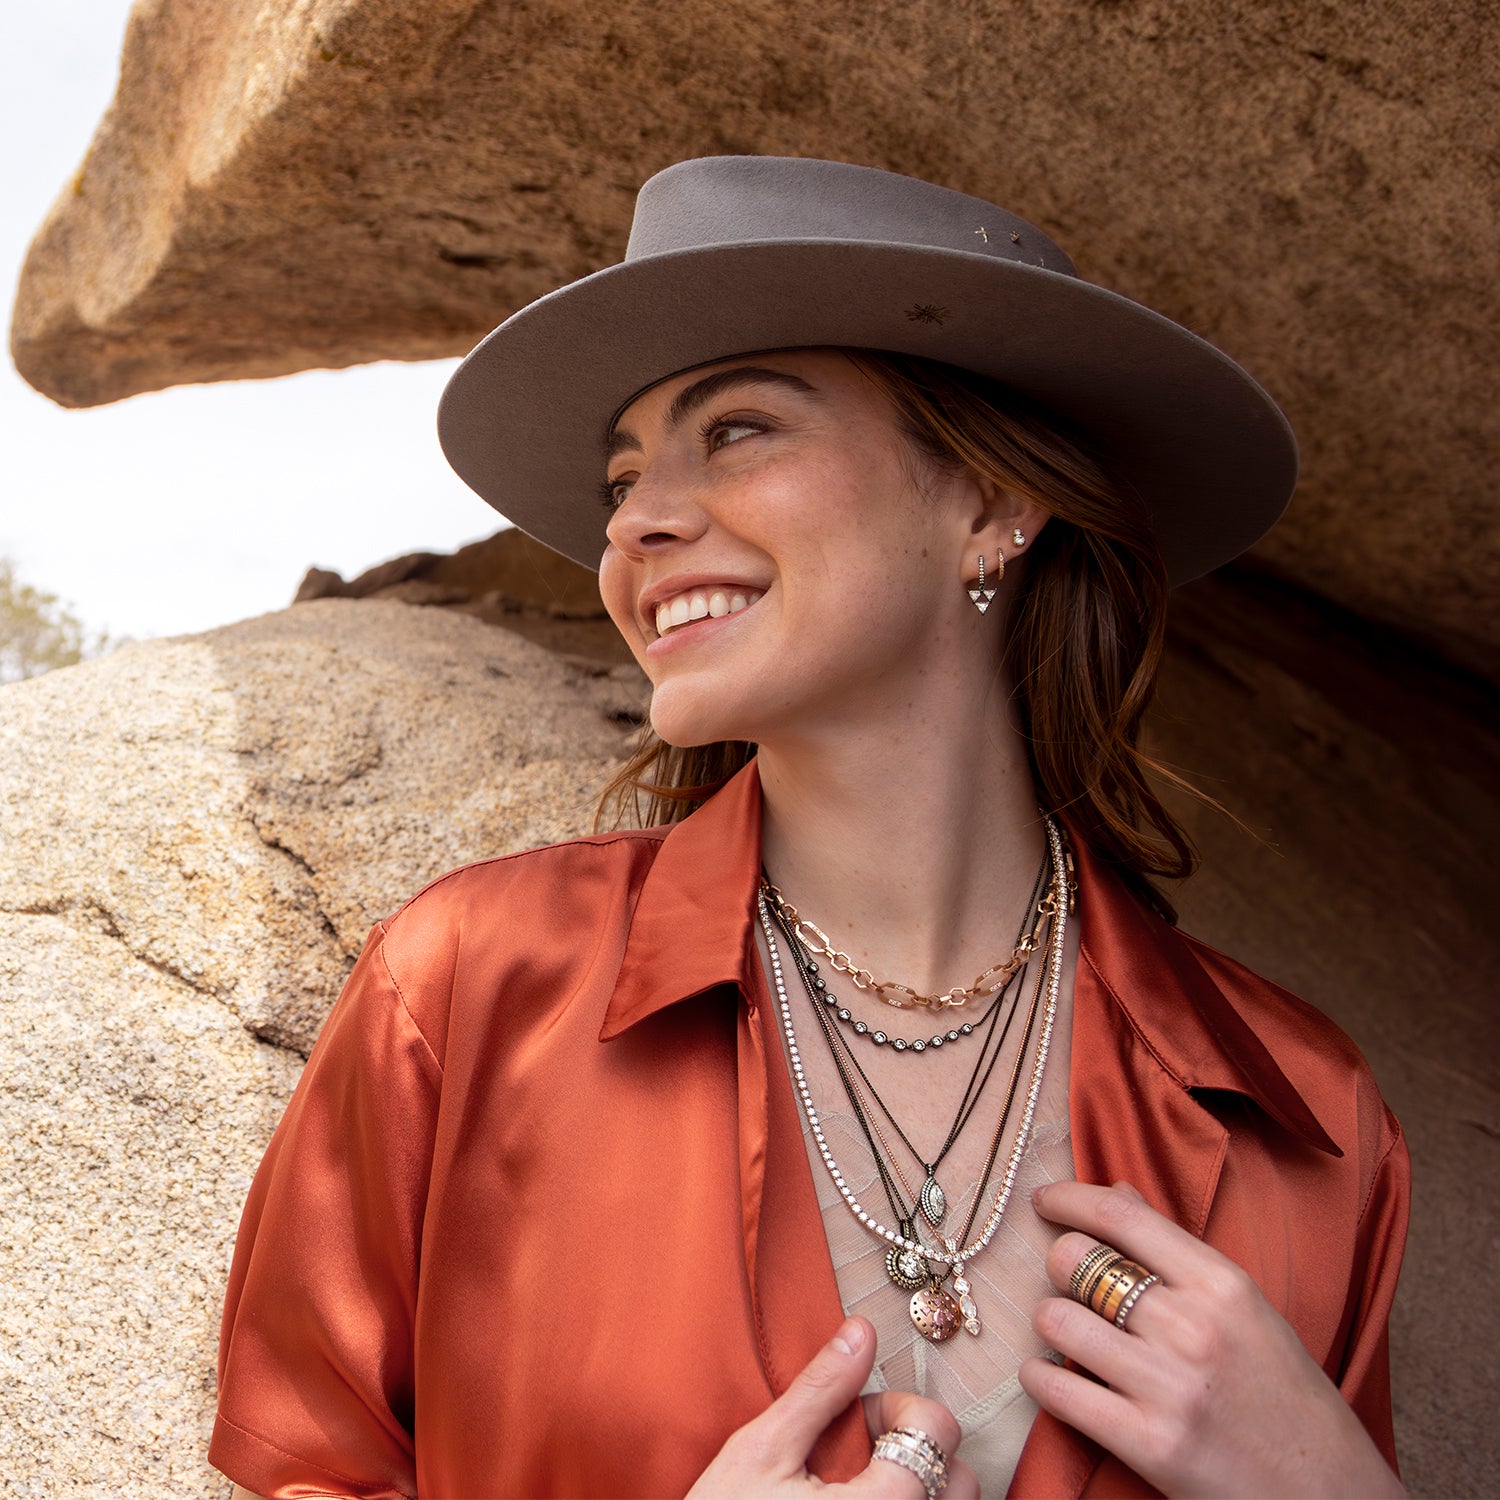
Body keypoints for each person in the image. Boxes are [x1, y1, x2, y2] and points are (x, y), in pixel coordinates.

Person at [210, 157, 1408, 1499]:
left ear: (991, 504)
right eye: (622, 480)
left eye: (737, 432)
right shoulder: (472, 993)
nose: (639, 524)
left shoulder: (1306, 1123)